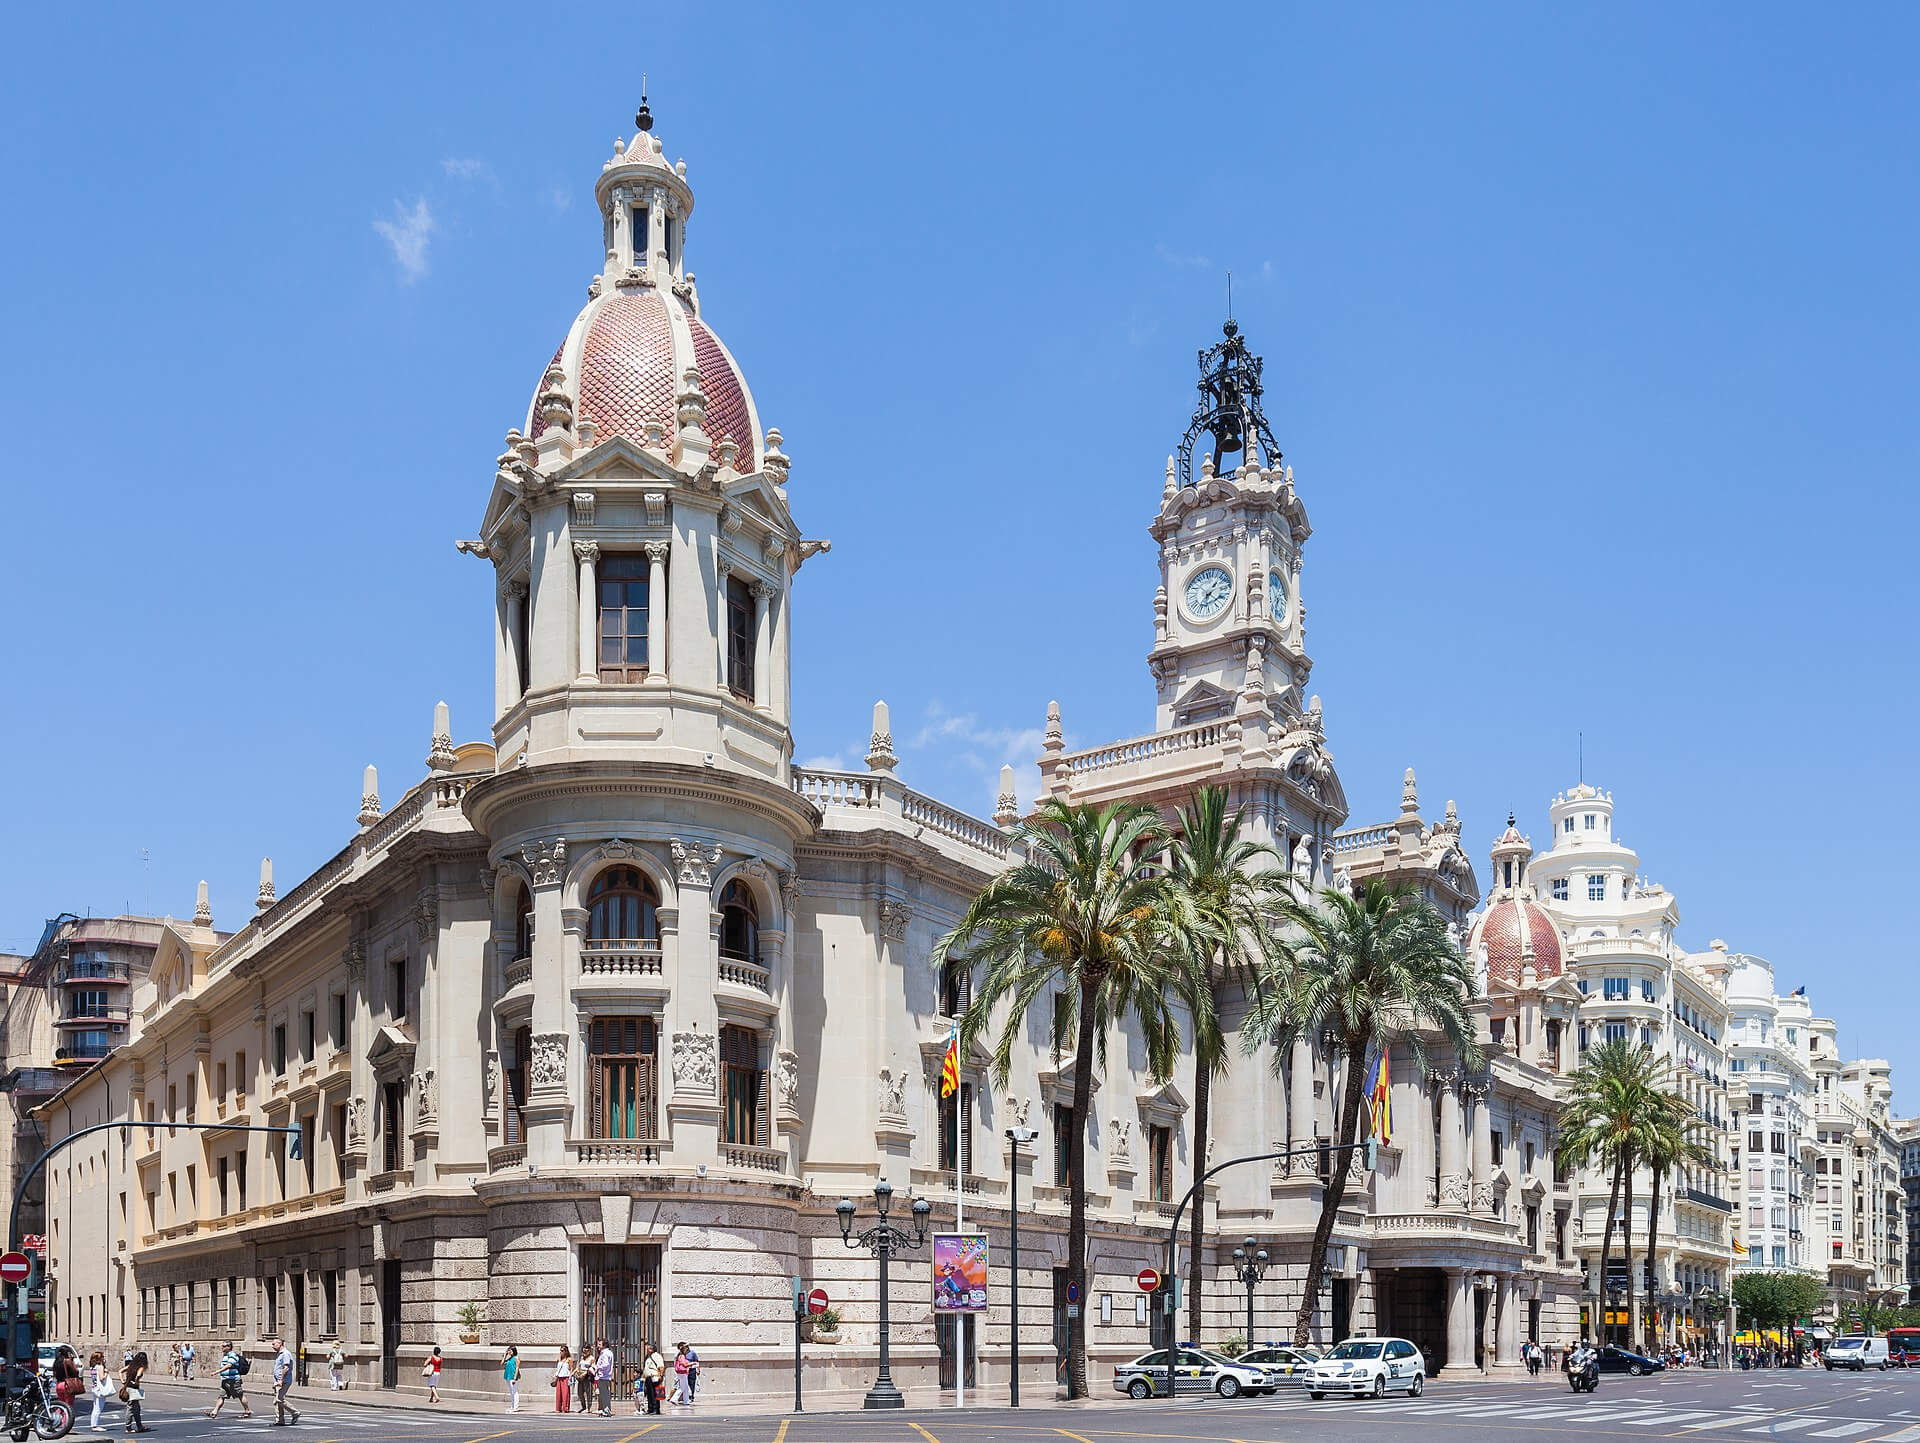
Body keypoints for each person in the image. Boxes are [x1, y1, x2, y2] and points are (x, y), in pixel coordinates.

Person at [207, 1342, 253, 1420]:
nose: (222, 1347)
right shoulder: (225, 1355)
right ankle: (214, 1412)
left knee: (240, 1395)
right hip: (225, 1379)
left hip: (233, 1380)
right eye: (222, 1346)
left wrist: (217, 1372)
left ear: (229, 1347)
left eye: (224, 1346)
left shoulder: (232, 1355)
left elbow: (229, 1365)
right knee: (221, 1396)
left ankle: (247, 1410)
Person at [271, 1337, 300, 1426]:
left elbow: (286, 1368)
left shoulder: (285, 1354)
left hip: (284, 1380)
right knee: (277, 1401)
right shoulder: (279, 1354)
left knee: (279, 1399)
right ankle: (280, 1420)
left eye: (274, 1344)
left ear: (280, 1344)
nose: (272, 1346)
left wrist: (280, 1380)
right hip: (278, 1381)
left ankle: (295, 1412)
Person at [120, 1351, 149, 1436]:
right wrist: (137, 1381)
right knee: (131, 1408)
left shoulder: (131, 1365)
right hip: (133, 1388)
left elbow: (120, 1371)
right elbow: (138, 1375)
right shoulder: (141, 1367)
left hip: (128, 1386)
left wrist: (122, 1380)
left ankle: (139, 1426)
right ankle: (128, 1427)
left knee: (136, 1409)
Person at [88, 1350, 116, 1433]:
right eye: (102, 1357)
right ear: (99, 1359)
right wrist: (106, 1373)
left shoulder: (93, 1367)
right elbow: (101, 1378)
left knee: (95, 1407)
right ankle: (95, 1426)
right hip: (100, 1390)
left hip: (95, 1388)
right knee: (99, 1408)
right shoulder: (100, 1367)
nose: (104, 1358)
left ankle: (93, 1424)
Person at [639, 1343, 663, 1415]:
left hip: (654, 1377)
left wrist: (660, 1376)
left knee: (655, 1394)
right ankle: (650, 1408)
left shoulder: (657, 1356)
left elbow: (660, 1366)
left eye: (649, 1348)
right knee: (649, 1394)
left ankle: (656, 1409)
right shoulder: (648, 1357)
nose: (647, 1350)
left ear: (652, 1349)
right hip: (648, 1378)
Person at [593, 1338, 614, 1417]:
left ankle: (606, 1410)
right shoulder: (608, 1352)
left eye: (599, 1344)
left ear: (604, 1345)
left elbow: (605, 1364)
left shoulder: (605, 1353)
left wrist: (597, 1367)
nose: (598, 1346)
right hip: (605, 1376)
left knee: (604, 1395)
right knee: (605, 1394)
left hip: (603, 1376)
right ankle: (606, 1409)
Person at [551, 1348, 572, 1413]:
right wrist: (555, 1375)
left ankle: (565, 1408)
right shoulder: (559, 1359)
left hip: (565, 1377)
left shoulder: (569, 1359)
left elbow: (571, 1369)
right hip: (559, 1378)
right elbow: (558, 1368)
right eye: (560, 1350)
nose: (560, 1352)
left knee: (565, 1394)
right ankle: (558, 1408)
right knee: (558, 1394)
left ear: (566, 1351)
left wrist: (570, 1377)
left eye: (562, 1351)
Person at [502, 1346, 519, 1413]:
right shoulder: (509, 1358)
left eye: (510, 1351)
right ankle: (512, 1406)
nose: (509, 1352)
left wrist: (515, 1378)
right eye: (508, 1351)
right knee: (511, 1392)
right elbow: (502, 1363)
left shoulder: (516, 1358)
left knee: (514, 1391)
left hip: (513, 1377)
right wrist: (505, 1355)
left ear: (514, 1351)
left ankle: (516, 1407)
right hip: (508, 1376)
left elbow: (517, 1368)